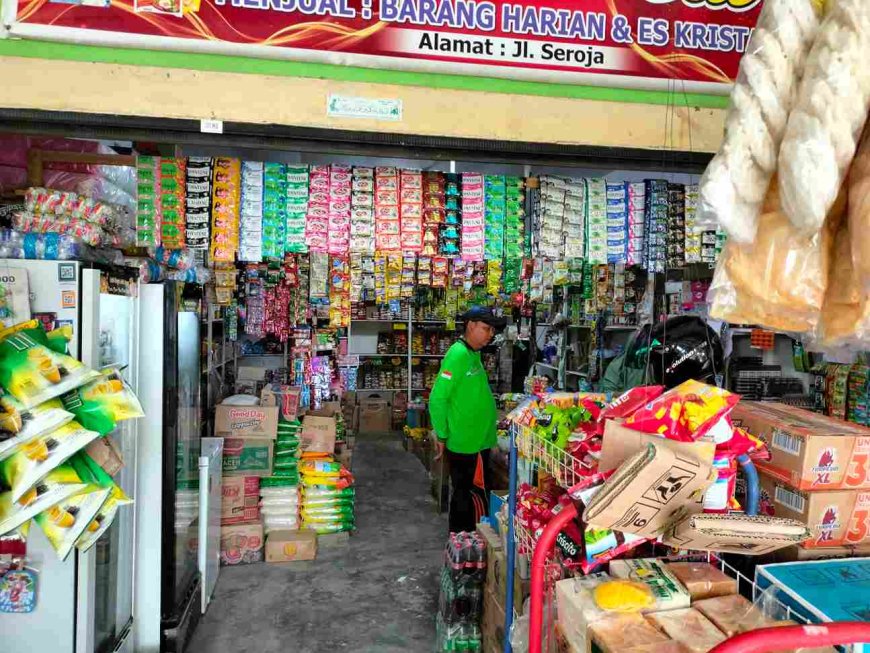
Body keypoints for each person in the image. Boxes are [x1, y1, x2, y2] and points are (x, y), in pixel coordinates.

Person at [429, 306, 505, 533]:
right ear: (471, 325)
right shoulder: (459, 354)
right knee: (470, 498)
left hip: (478, 441)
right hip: (467, 443)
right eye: (486, 328)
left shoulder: (474, 354)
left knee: (469, 495)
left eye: (492, 330)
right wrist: (441, 434)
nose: (490, 334)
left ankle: (463, 541)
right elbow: (438, 398)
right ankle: (467, 541)